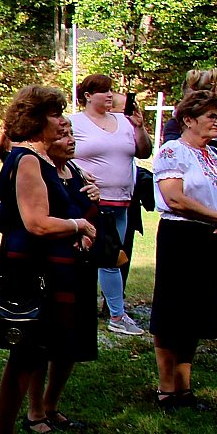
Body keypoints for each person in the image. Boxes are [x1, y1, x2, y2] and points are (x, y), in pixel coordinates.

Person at [0, 86, 100, 434]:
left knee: (32, 352)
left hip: (40, 267)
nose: (63, 120)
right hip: (30, 270)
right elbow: (35, 223)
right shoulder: (28, 160)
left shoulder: (39, 161)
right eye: (55, 114)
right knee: (23, 353)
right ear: (36, 120)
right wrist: (78, 224)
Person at [151, 90, 217, 409]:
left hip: (211, 238)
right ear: (188, 120)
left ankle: (184, 388)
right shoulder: (173, 151)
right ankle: (166, 389)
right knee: (172, 312)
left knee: (196, 314)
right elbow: (175, 197)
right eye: (211, 117)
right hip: (182, 237)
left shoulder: (215, 154)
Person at [71, 74, 144, 336]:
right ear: (88, 95)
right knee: (83, 257)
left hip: (122, 201)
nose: (109, 95)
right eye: (103, 91)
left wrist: (139, 127)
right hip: (89, 202)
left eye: (111, 90)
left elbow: (142, 151)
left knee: (112, 258)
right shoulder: (75, 122)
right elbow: (60, 152)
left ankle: (116, 314)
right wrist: (77, 171)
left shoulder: (124, 122)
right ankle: (77, 307)